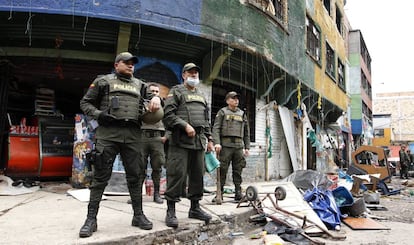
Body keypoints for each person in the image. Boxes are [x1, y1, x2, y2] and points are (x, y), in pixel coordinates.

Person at [78, 52, 161, 238]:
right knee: (100, 177)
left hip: (132, 135)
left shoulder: (141, 85)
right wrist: (99, 115)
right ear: (117, 65)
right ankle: (91, 219)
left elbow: (156, 98)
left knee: (136, 176)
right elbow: (85, 103)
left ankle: (138, 216)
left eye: (133, 63)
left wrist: (156, 99)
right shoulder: (103, 81)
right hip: (108, 133)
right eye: (127, 62)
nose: (131, 65)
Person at [162, 62, 214, 228]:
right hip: (180, 141)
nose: (194, 76)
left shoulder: (201, 95)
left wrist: (210, 139)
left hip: (198, 142)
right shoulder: (176, 91)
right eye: (190, 73)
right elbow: (168, 116)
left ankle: (195, 208)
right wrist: (184, 125)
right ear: (183, 75)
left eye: (196, 74)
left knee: (198, 175)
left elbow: (206, 120)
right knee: (177, 174)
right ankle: (171, 210)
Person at [212, 91, 250, 201]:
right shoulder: (222, 112)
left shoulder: (242, 114)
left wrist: (247, 147)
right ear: (228, 100)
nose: (236, 100)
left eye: (237, 99)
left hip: (238, 146)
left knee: (238, 170)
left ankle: (238, 193)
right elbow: (216, 128)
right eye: (233, 98)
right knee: (222, 170)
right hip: (226, 145)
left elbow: (246, 132)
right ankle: (220, 193)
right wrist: (217, 143)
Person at [141, 83, 167, 204]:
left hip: (158, 138)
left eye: (157, 91)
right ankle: (137, 194)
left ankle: (156, 194)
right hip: (142, 137)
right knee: (140, 167)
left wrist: (167, 136)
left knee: (157, 167)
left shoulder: (163, 104)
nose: (155, 93)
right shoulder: (140, 103)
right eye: (152, 91)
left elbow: (169, 119)